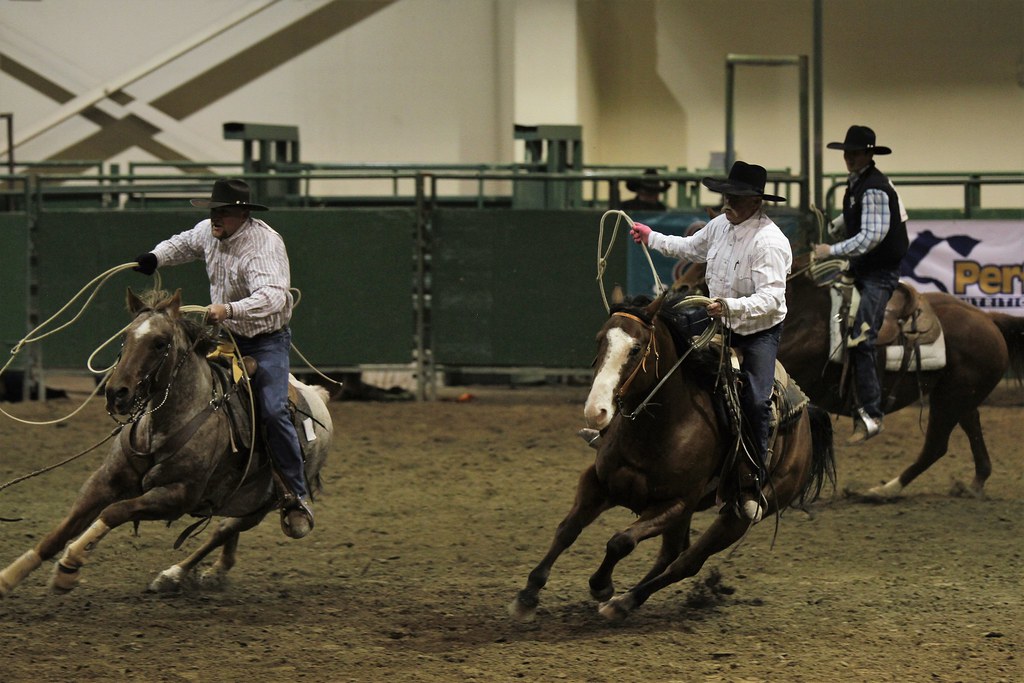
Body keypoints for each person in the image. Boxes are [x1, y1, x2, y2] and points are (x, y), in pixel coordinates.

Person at [133, 178, 315, 539]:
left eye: (224, 212)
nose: (216, 217)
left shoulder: (263, 244)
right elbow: (184, 243)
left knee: (273, 409)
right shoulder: (209, 231)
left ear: (243, 215)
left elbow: (274, 297)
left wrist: (229, 309)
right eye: (214, 210)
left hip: (264, 343)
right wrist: (155, 257)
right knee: (178, 381)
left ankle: (295, 494)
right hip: (225, 337)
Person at [630, 161, 792, 523]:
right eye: (726, 196)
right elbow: (690, 247)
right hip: (718, 317)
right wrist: (651, 237)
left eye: (735, 197)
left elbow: (771, 299)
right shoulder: (721, 226)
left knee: (755, 399)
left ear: (755, 202)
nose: (727, 203)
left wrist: (731, 306)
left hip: (757, 331)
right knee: (661, 343)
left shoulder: (769, 242)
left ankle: (751, 480)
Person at [813, 125, 909, 444]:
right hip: (864, 269)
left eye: (854, 153)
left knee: (863, 336)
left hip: (879, 274)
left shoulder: (874, 189)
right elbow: (863, 219)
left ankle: (871, 412)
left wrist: (831, 250)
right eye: (847, 153)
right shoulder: (861, 184)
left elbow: (870, 237)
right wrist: (839, 224)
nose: (849, 158)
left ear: (868, 154)